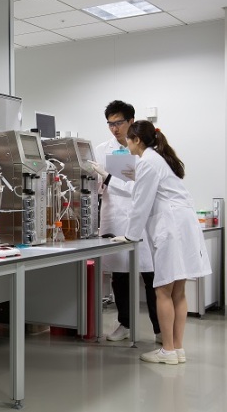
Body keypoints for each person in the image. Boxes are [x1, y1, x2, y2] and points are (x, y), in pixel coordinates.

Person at [109, 120, 211, 364]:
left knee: (162, 289)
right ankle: (177, 348)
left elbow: (140, 203)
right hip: (183, 225)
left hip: (171, 227)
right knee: (178, 291)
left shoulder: (147, 162)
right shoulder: (161, 159)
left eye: (129, 140)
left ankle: (167, 350)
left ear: (137, 140)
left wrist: (131, 235)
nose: (126, 144)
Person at [92, 100, 160, 343]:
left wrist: (108, 177)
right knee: (119, 275)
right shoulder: (102, 149)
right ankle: (125, 324)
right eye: (110, 124)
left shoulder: (145, 151)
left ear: (131, 121)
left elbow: (134, 188)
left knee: (151, 276)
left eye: (119, 122)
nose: (114, 128)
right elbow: (97, 187)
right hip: (114, 216)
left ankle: (160, 330)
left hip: (141, 219)